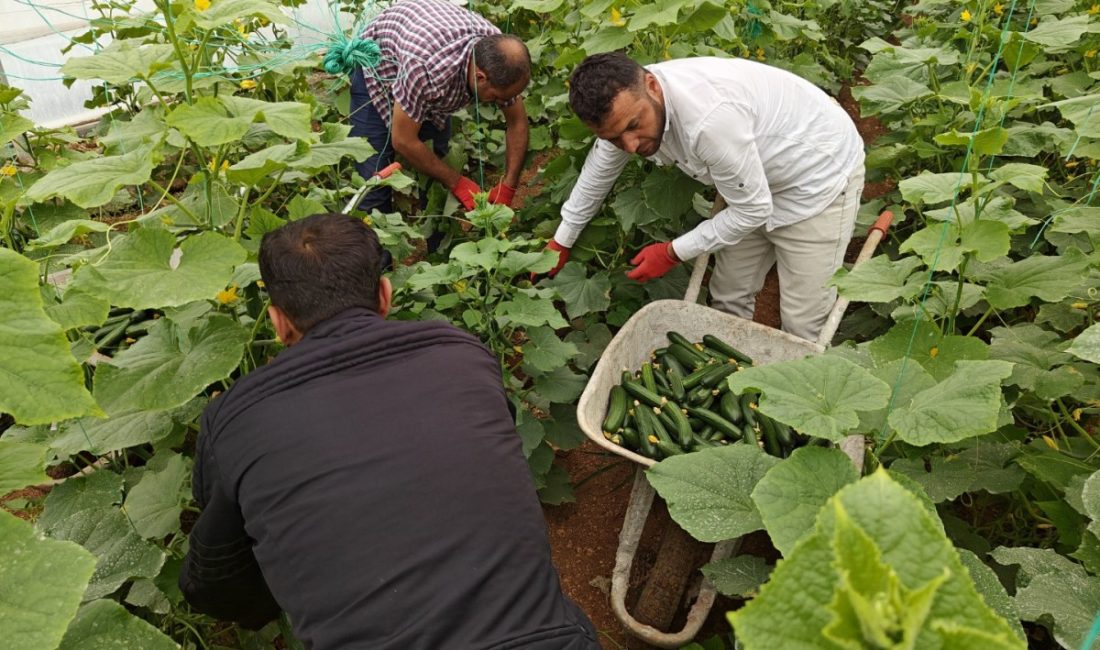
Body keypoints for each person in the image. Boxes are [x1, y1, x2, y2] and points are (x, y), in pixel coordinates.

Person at [179, 214, 599, 650]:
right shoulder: (461, 354)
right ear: (385, 296)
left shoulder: (236, 418)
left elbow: (214, 579)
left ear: (279, 322)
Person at [545, 53, 865, 342]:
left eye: (633, 126)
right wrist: (564, 238)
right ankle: (732, 384)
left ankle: (799, 398)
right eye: (614, 137)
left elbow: (752, 211)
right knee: (727, 297)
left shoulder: (708, 120)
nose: (629, 145)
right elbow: (600, 168)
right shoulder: (628, 111)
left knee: (803, 324)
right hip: (747, 183)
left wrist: (672, 252)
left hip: (815, 181)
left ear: (653, 85)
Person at [350, 0, 530, 216]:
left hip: (423, 51)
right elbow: (403, 140)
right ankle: (373, 246)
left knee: (437, 180)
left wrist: (508, 185)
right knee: (374, 180)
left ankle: (439, 246)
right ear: (480, 77)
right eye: (498, 98)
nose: (503, 103)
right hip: (379, 69)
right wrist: (456, 181)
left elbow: (517, 122)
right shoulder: (426, 68)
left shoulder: (501, 57)